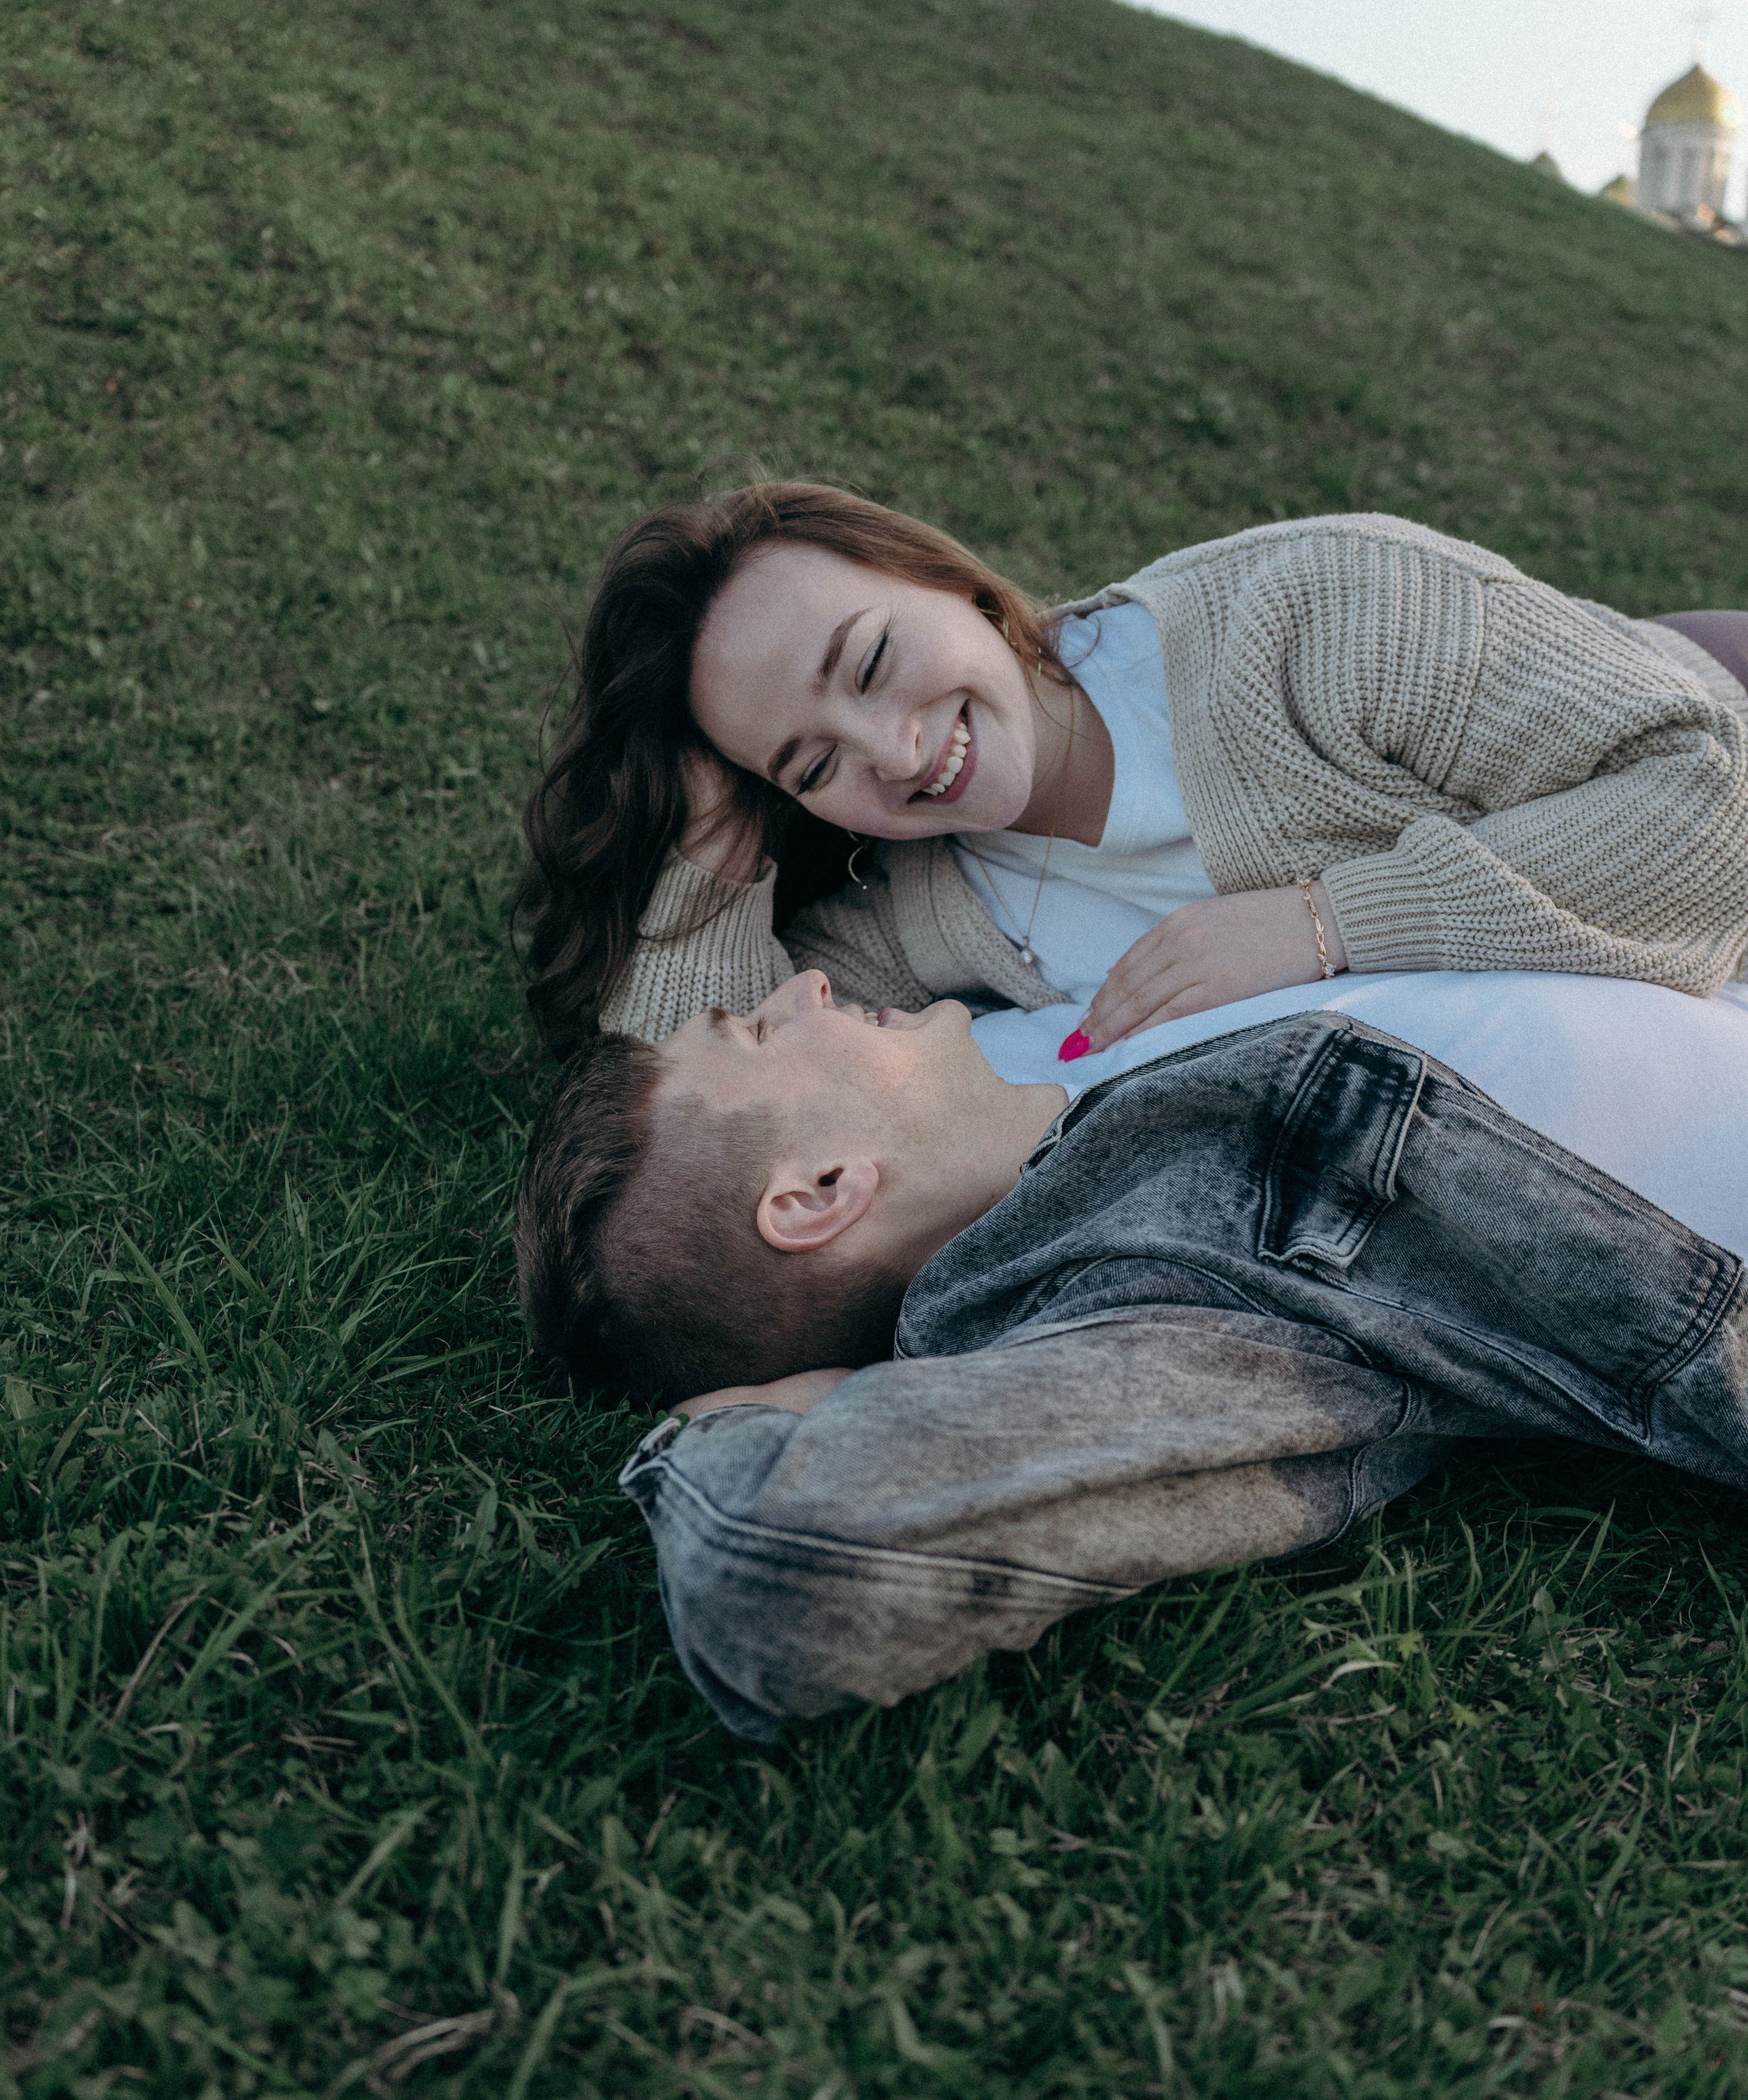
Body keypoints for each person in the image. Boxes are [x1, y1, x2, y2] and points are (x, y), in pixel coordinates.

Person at [516, 963, 1748, 1739]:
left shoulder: (1057, 1045)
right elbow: (779, 1576)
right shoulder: (1144, 1292)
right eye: (755, 1033)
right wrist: (733, 1415)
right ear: (822, 1189)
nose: (808, 987)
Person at [516, 485, 1748, 1059]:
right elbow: (705, 1075)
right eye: (811, 759)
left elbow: (1713, 806)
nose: (895, 755)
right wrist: (710, 853)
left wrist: (1323, 925)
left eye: (876, 659)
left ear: (939, 572)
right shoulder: (938, 907)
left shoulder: (1323, 613)